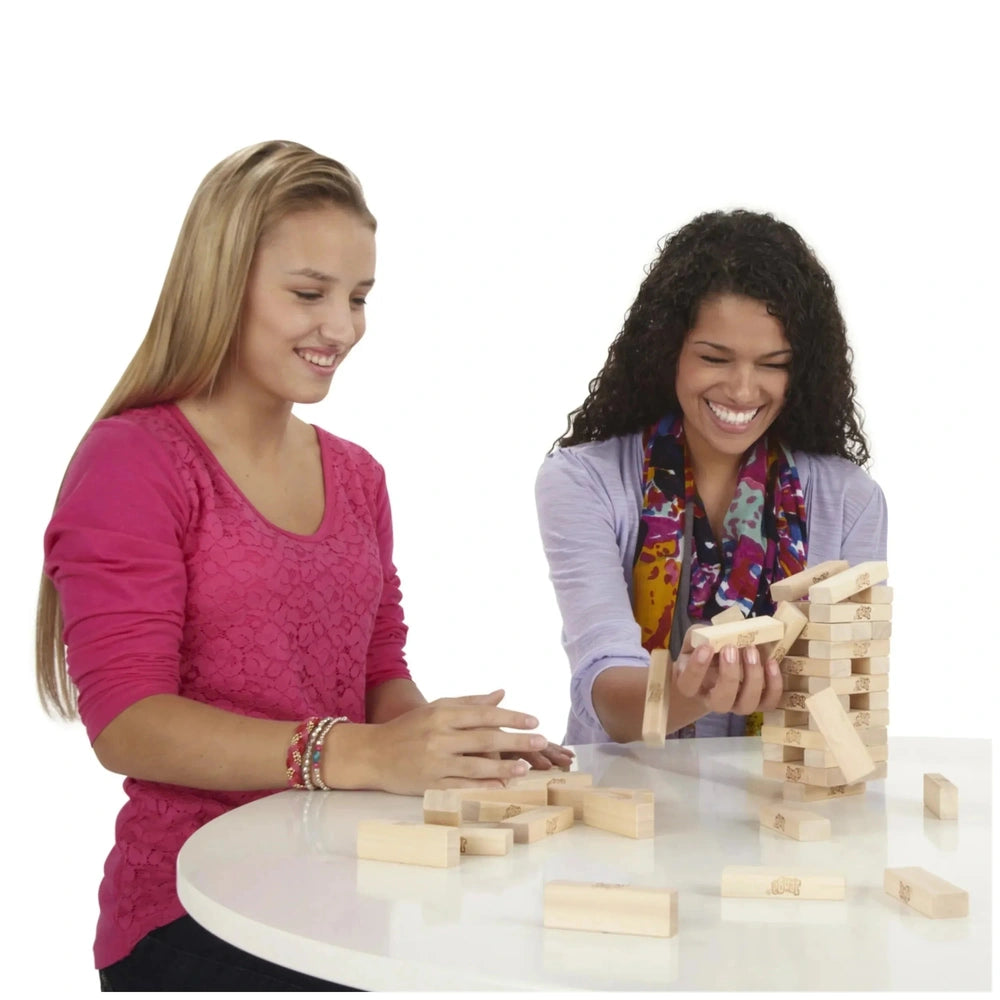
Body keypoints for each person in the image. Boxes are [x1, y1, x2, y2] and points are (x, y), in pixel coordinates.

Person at [37, 139, 571, 992]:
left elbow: (377, 674)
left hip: (344, 897)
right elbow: (127, 722)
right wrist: (356, 754)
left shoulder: (357, 476)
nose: (344, 328)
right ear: (222, 284)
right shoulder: (134, 462)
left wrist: (449, 752)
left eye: (359, 298)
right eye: (309, 294)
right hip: (192, 911)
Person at [535, 209, 887, 746]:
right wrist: (695, 689)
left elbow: (849, 699)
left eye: (773, 363)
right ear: (668, 351)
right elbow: (604, 689)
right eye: (715, 358)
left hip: (777, 792)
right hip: (621, 790)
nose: (743, 390)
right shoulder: (584, 481)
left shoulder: (851, 500)